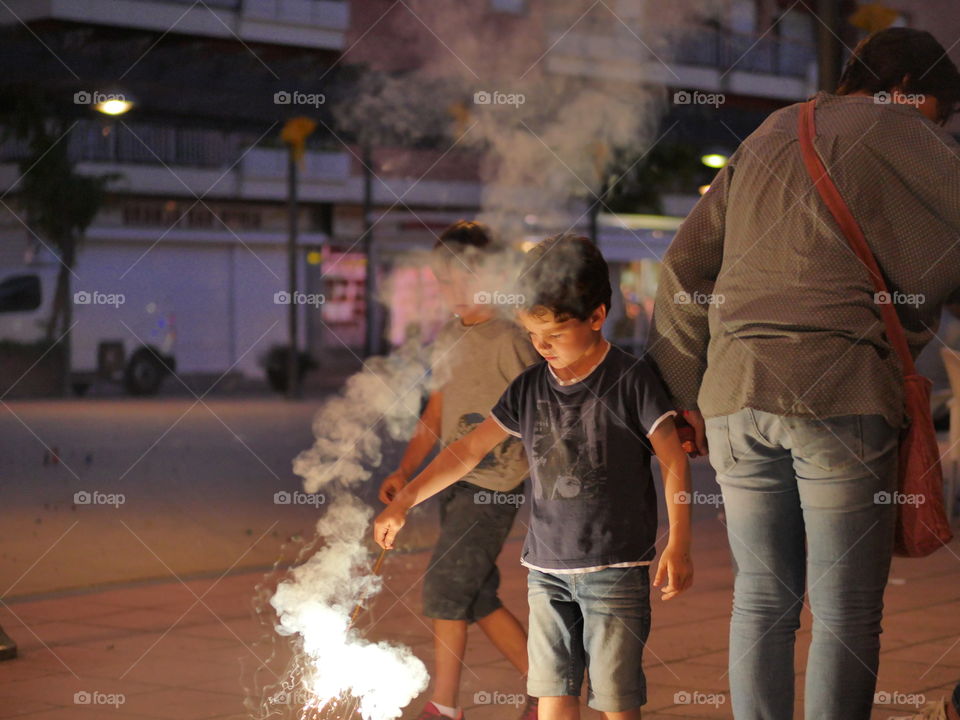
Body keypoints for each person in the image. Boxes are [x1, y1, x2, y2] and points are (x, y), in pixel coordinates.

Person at [647, 27, 960, 720]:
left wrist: (683, 393)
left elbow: (683, 267)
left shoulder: (771, 131)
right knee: (845, 610)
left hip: (732, 395)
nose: (937, 138)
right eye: (940, 119)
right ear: (907, 92)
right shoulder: (895, 124)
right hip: (837, 387)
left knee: (762, 599)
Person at [376, 234, 694, 720]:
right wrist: (407, 499)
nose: (542, 346)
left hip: (614, 569)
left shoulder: (630, 380)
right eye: (532, 334)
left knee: (614, 699)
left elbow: (673, 458)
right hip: (545, 571)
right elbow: (467, 451)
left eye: (555, 334)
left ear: (596, 316)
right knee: (551, 698)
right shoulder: (527, 387)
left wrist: (679, 541)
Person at [378, 220, 541, 720]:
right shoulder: (449, 334)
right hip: (450, 483)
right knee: (476, 594)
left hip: (493, 486)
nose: (444, 291)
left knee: (446, 588)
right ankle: (545, 694)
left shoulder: (512, 337)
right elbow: (435, 411)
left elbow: (543, 410)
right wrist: (406, 471)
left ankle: (444, 707)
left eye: (452, 279)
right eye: (439, 280)